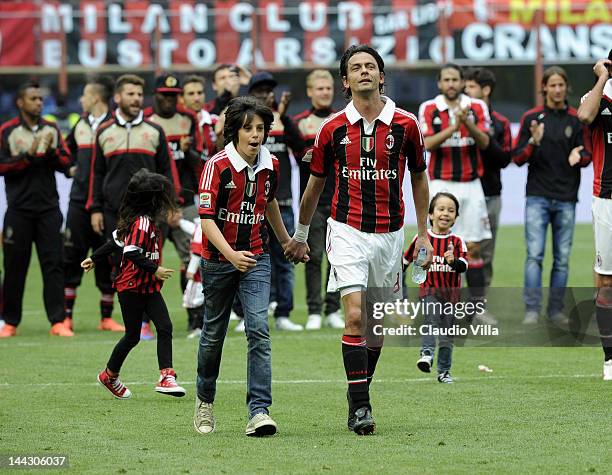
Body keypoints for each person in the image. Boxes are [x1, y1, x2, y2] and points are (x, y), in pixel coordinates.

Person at [284, 44, 432, 435]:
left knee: (376, 326)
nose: (364, 71)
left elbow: (419, 176)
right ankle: (363, 406)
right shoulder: (331, 129)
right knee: (353, 316)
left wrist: (426, 233)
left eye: (371, 66)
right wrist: (300, 235)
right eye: (356, 67)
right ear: (345, 82)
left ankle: (357, 394)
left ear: (382, 77)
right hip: (345, 229)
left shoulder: (407, 124)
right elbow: (314, 186)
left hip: (390, 234)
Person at [194, 96, 302, 436]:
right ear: (234, 132)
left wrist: (286, 241)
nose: (256, 135)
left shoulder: (271, 164)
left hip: (257, 257)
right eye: (248, 128)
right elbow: (207, 220)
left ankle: (259, 411)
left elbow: (268, 202)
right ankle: (205, 401)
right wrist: (229, 255)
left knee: (259, 329)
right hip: (218, 261)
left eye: (261, 128)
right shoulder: (217, 166)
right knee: (213, 334)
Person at [86, 74, 181, 340]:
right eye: (130, 94)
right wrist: (94, 208)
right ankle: (128, 321)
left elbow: (167, 170)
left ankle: (145, 322)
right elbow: (96, 172)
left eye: (140, 94)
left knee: (149, 264)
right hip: (113, 211)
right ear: (117, 97)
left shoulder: (154, 131)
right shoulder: (104, 131)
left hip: (150, 216)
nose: (137, 99)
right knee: (120, 264)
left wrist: (173, 205)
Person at [82, 169, 186, 399]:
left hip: (147, 287)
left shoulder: (138, 221)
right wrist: (155, 268)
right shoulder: (142, 223)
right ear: (154, 200)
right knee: (132, 336)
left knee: (165, 327)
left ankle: (166, 376)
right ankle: (109, 376)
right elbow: (130, 252)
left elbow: (115, 242)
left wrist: (94, 257)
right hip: (130, 287)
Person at [513, 66, 591, 325]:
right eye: (552, 85)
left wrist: (579, 157)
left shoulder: (577, 118)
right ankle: (532, 310)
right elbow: (517, 158)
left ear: (566, 88)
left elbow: (588, 154)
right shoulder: (531, 118)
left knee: (562, 259)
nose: (557, 89)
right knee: (534, 255)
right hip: (537, 196)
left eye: (561, 85)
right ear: (544, 87)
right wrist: (534, 142)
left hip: (567, 198)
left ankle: (555, 311)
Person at [418, 64, 492, 323]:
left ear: (462, 82)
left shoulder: (477, 107)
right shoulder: (429, 108)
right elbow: (426, 143)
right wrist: (453, 127)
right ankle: (432, 306)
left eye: (455, 79)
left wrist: (467, 123)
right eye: (446, 79)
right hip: (439, 185)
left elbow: (484, 142)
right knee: (434, 247)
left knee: (472, 248)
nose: (451, 84)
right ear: (439, 83)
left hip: (471, 185)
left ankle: (477, 310)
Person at [0, 81, 72, 338]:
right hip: (18, 210)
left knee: (53, 264)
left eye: (41, 99)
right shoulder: (7, 131)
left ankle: (58, 321)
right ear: (21, 102)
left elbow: (66, 164)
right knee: (14, 266)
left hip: (48, 210)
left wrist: (51, 152)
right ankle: (10, 322)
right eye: (33, 99)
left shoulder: (51, 129)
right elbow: (2, 167)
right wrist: (27, 157)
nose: (39, 103)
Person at [63, 75, 124, 333]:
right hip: (78, 203)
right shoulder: (80, 125)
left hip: (104, 204)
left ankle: (106, 317)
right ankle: (65, 317)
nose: (81, 99)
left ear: (96, 97)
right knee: (72, 257)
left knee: (106, 259)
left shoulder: (114, 126)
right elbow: (64, 154)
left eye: (85, 94)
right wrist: (69, 168)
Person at [145, 73, 204, 334]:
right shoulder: (147, 121)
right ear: (155, 95)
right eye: (164, 95)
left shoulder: (188, 119)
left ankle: (195, 320)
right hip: (154, 205)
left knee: (191, 259)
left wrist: (188, 149)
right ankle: (143, 322)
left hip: (185, 202)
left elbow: (199, 160)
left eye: (173, 95)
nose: (168, 100)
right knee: (146, 259)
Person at [248, 71, 306, 331]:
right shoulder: (246, 124)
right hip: (249, 206)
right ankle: (246, 314)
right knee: (250, 260)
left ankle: (283, 313)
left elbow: (302, 149)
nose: (265, 94)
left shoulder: (282, 121)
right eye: (259, 90)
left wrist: (284, 116)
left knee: (285, 260)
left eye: (268, 89)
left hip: (281, 202)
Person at [293, 69, 343, 330]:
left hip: (341, 199)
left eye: (328, 88)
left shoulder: (343, 120)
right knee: (312, 257)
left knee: (337, 257)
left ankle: (332, 308)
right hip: (312, 200)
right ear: (310, 91)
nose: (324, 92)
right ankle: (314, 310)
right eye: (319, 88)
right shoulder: (300, 123)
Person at [404, 192, 468, 384]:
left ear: (456, 218)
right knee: (431, 318)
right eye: (441, 209)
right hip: (429, 290)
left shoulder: (457, 241)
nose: (445, 213)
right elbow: (405, 260)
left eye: (451, 210)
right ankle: (426, 354)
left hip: (451, 296)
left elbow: (464, 265)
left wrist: (453, 261)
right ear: (431, 214)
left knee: (448, 335)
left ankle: (444, 371)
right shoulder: (421, 239)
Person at [577, 51, 612, 381]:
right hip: (608, 199)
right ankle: (610, 358)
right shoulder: (603, 96)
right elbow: (585, 116)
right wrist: (603, 77)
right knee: (606, 280)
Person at [464, 68, 512, 289]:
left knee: (485, 254)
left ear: (486, 89)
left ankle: (477, 306)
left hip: (490, 194)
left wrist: (482, 134)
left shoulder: (500, 122)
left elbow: (504, 158)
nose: (466, 90)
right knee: (453, 250)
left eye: (471, 86)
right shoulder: (455, 117)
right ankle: (449, 304)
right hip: (460, 193)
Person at [180, 74, 217, 161]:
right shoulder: (175, 123)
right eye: (191, 94)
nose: (196, 98)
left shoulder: (215, 121)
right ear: (181, 98)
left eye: (200, 93)